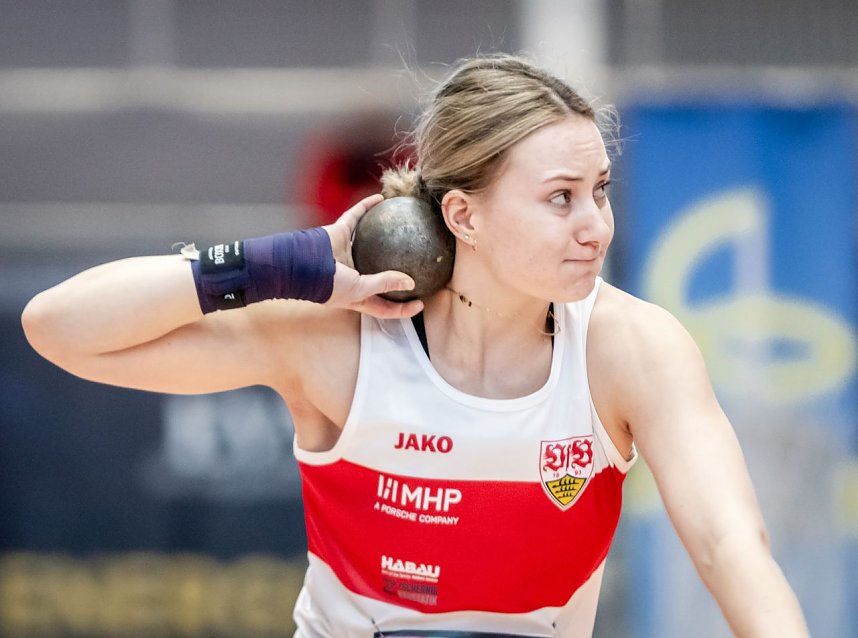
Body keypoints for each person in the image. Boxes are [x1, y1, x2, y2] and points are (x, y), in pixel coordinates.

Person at [21, 54, 809, 638]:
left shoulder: (630, 348)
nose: (595, 225)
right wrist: (279, 263)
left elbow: (729, 545)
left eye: (599, 190)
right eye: (560, 198)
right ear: (463, 216)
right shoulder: (340, 341)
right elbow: (58, 328)